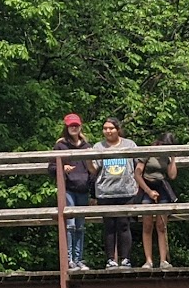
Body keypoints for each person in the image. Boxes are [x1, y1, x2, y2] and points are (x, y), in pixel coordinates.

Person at [90, 117, 146, 269]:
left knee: (124, 225)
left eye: (111, 128)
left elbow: (140, 162)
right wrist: (88, 160)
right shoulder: (98, 146)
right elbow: (94, 170)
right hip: (105, 192)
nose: (108, 131)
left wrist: (139, 180)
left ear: (118, 129)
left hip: (126, 191)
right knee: (109, 226)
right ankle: (110, 260)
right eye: (105, 128)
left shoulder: (129, 144)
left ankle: (125, 259)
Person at [51, 113, 93, 269]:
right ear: (66, 127)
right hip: (68, 189)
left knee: (80, 226)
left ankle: (79, 259)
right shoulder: (60, 146)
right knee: (70, 225)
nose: (74, 128)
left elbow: (92, 170)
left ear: (80, 126)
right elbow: (51, 168)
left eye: (76, 125)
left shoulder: (87, 147)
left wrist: (93, 192)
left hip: (83, 189)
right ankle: (69, 259)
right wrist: (62, 168)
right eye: (71, 126)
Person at [140, 131, 179, 269]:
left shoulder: (166, 157)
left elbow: (172, 175)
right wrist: (148, 191)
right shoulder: (148, 153)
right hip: (147, 187)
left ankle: (163, 260)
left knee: (161, 226)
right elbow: (137, 174)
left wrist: (173, 158)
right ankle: (148, 260)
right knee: (147, 225)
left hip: (162, 187)